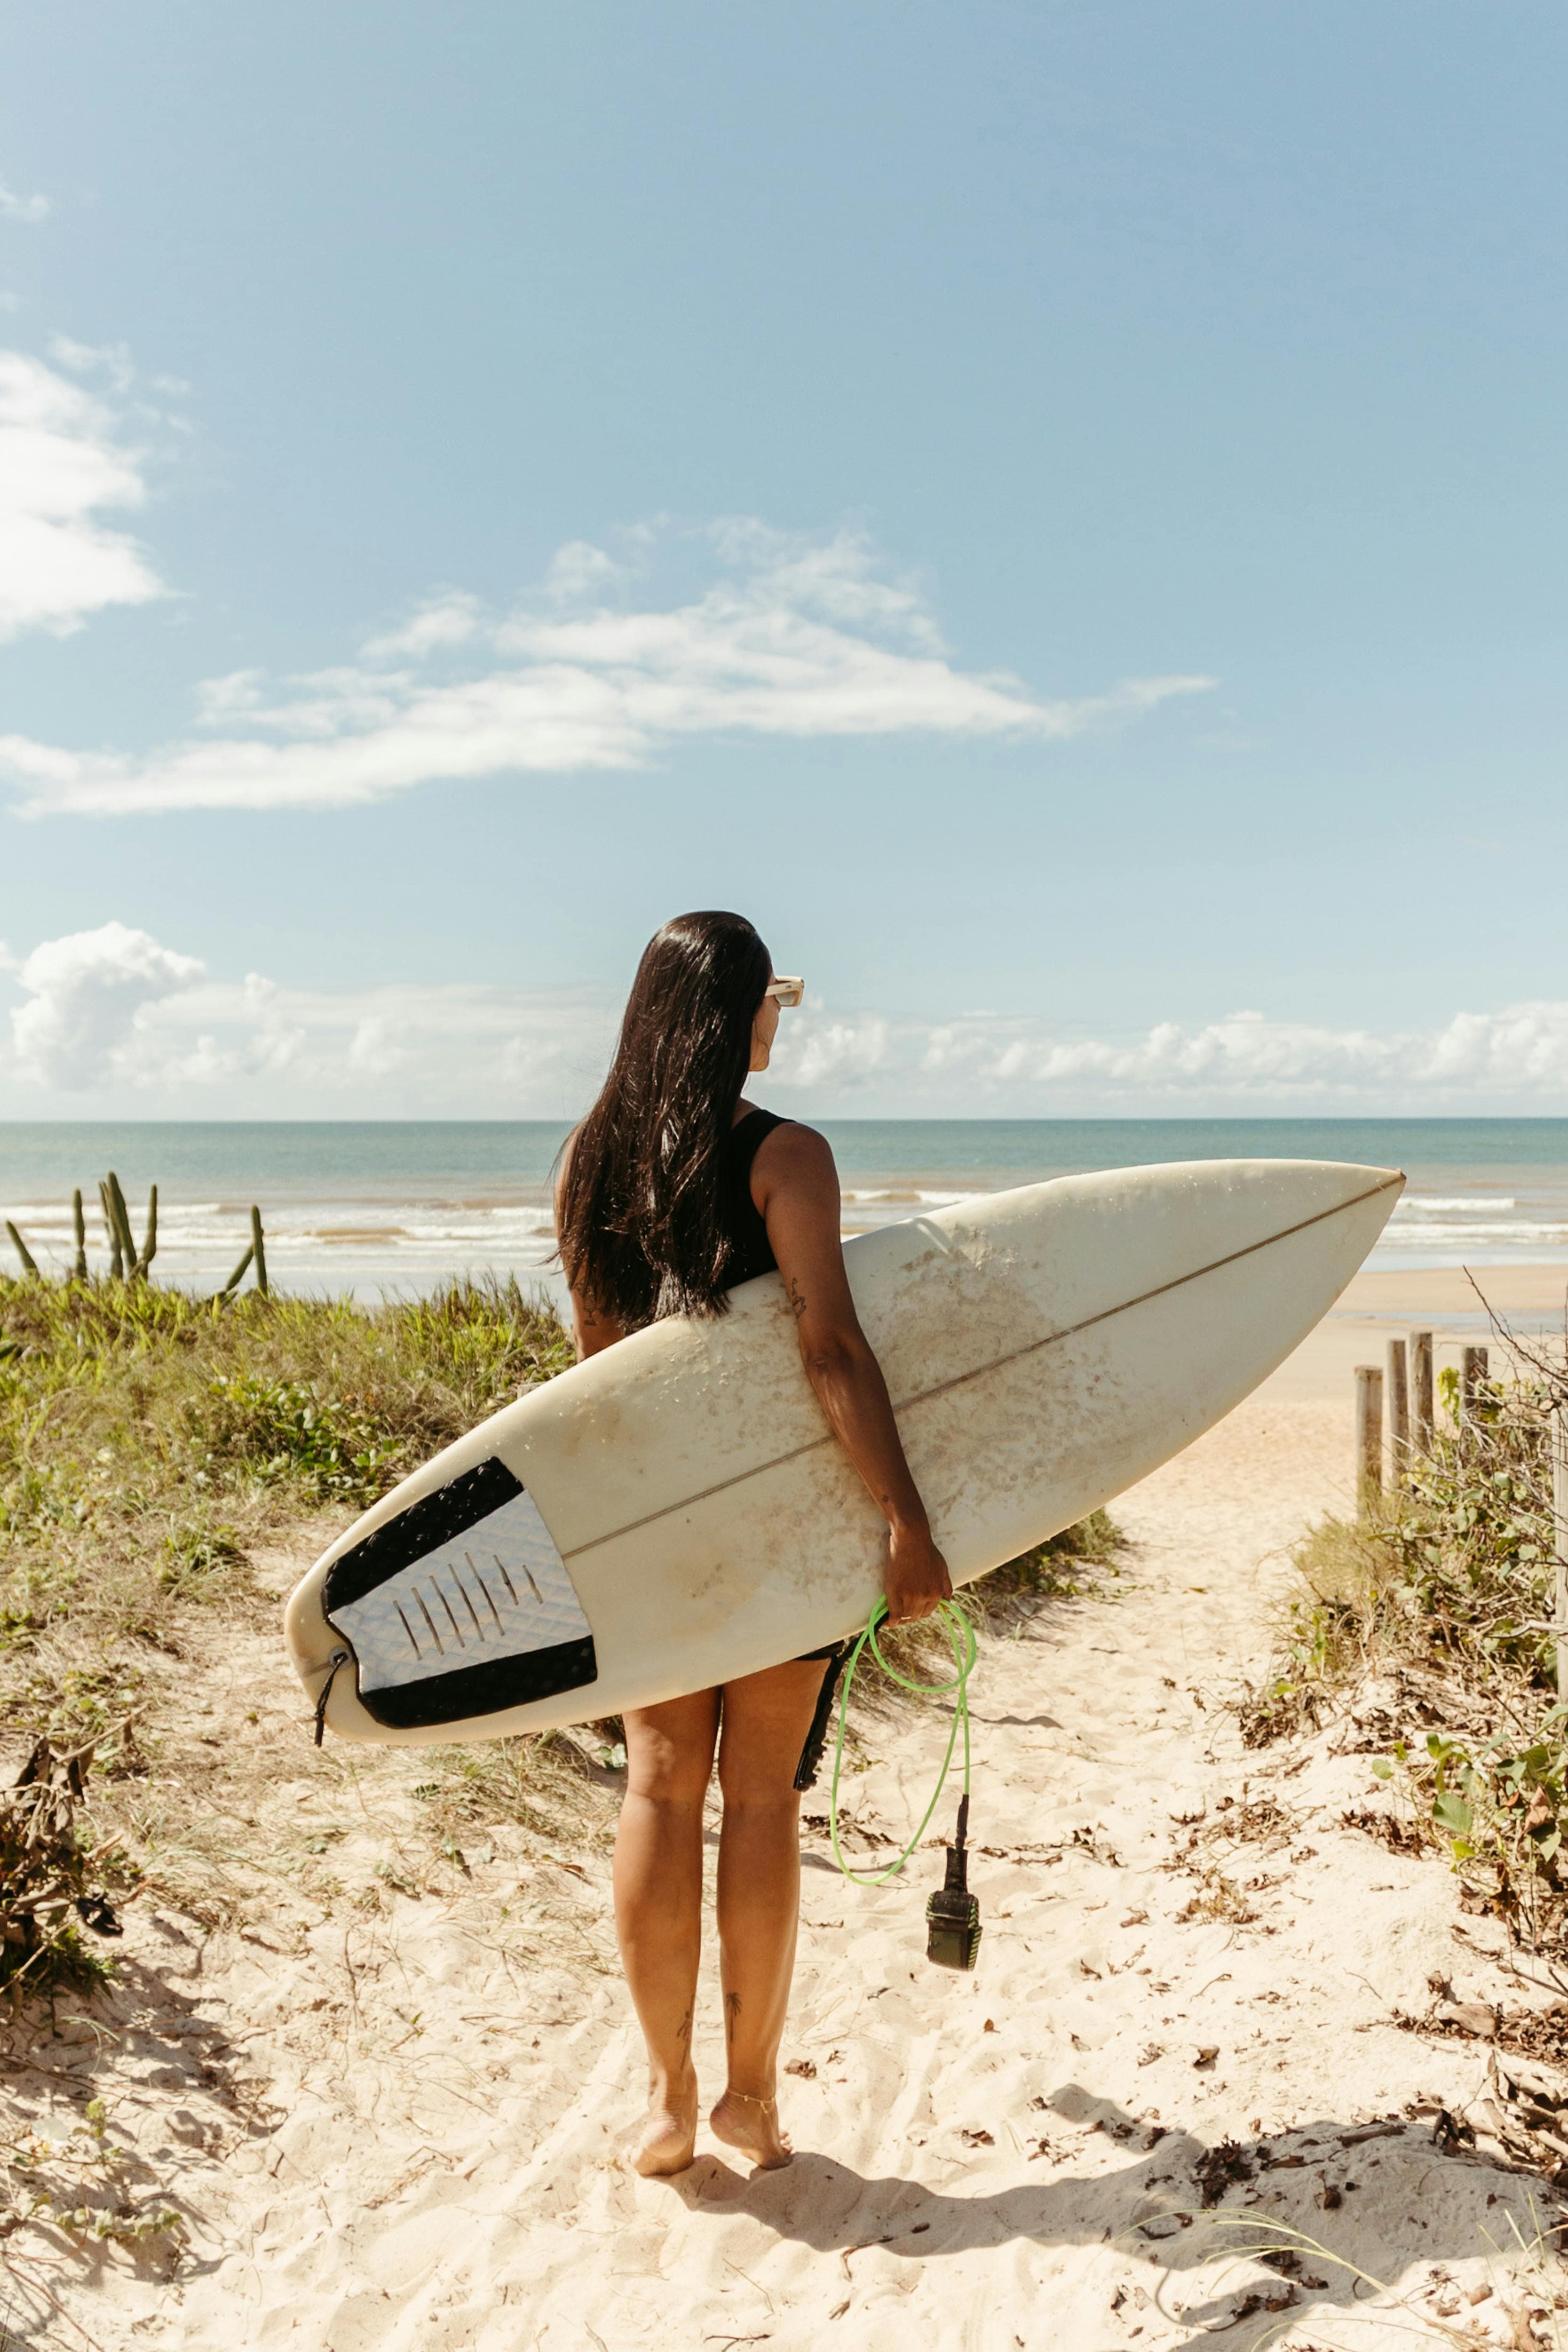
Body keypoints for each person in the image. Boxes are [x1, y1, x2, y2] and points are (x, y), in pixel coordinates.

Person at [555, 910, 951, 2177]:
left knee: (657, 1790)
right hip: (783, 1525)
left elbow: (596, 1379)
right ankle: (750, 2101)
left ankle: (668, 2104)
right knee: (763, 1802)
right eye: (772, 996)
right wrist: (906, 1519)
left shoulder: (586, 1160)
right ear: (734, 1016)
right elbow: (829, 1349)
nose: (781, 1018)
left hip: (656, 1530)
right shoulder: (789, 1157)